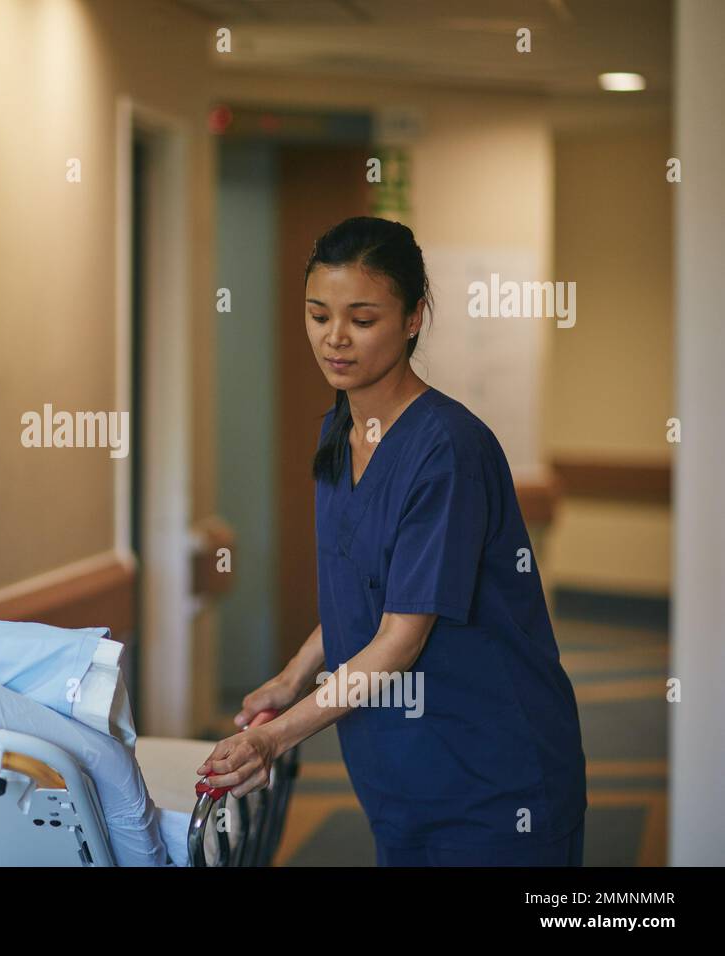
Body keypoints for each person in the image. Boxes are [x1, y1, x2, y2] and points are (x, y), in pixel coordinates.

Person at [197, 216, 587, 866]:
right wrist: (293, 677)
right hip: (397, 770)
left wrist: (273, 742)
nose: (335, 339)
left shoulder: (447, 452)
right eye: (318, 315)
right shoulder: (339, 431)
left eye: (363, 318)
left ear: (413, 318)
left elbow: (400, 637)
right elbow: (363, 586)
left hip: (490, 774)